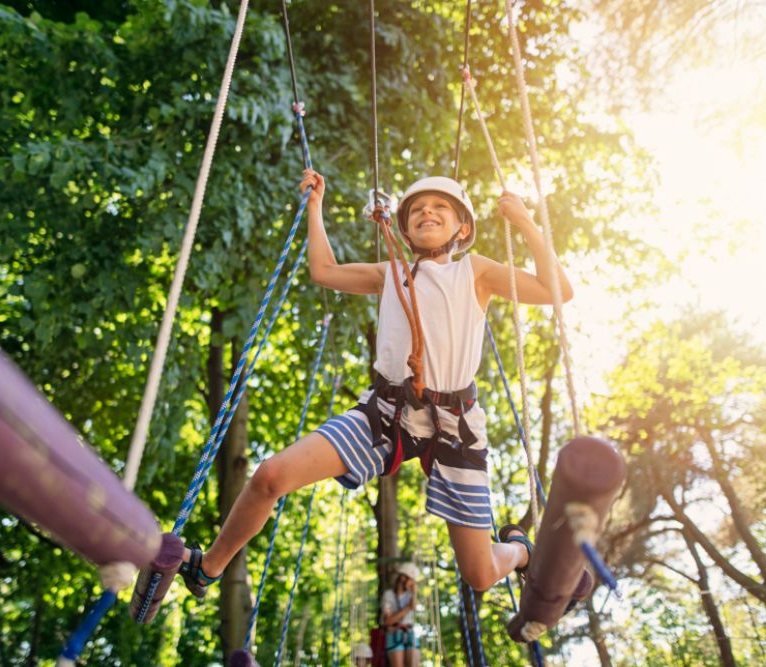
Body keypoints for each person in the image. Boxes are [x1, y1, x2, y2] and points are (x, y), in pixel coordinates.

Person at [177, 168, 573, 613]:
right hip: (386, 413)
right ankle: (206, 567)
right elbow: (324, 271)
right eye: (418, 209)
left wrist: (524, 222)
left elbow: (558, 291)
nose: (427, 212)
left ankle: (519, 549)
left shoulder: (474, 273)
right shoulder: (391, 273)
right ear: (403, 228)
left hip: (454, 426)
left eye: (440, 207)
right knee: (269, 477)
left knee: (480, 574)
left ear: (463, 228)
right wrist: (315, 207)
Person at [382, 562, 422, 667]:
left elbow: (415, 607)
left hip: (409, 633)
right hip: (394, 633)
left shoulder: (411, 595)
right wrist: (407, 608)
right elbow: (388, 621)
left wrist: (414, 593)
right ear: (403, 578)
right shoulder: (389, 595)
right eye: (410, 579)